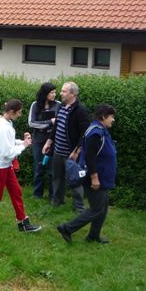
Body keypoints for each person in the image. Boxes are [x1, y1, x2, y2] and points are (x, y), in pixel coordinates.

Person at [0, 100, 41, 233]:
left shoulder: (6, 122)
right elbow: (7, 153)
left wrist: (22, 142)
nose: (20, 115)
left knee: (16, 191)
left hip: (5, 165)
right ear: (12, 112)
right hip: (1, 166)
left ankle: (23, 222)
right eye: (19, 112)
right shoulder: (3, 128)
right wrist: (23, 146)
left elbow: (9, 142)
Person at [57, 104, 117, 244]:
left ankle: (93, 236)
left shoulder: (101, 130)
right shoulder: (95, 133)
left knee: (102, 208)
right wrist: (94, 178)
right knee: (96, 209)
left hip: (103, 176)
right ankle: (67, 228)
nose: (113, 119)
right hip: (96, 177)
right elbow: (90, 157)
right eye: (111, 117)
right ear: (103, 117)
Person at [42, 81, 90, 211]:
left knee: (75, 179)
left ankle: (79, 208)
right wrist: (48, 142)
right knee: (57, 177)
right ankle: (57, 202)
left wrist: (76, 151)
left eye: (64, 91)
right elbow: (56, 126)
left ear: (73, 94)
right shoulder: (61, 106)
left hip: (71, 153)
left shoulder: (81, 110)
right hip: (58, 150)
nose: (60, 93)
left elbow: (85, 133)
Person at [28, 82, 60, 199]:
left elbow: (59, 122)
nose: (54, 95)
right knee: (39, 169)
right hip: (38, 141)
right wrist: (49, 122)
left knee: (53, 170)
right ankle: (37, 195)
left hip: (53, 141)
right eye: (51, 93)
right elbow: (32, 123)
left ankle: (53, 196)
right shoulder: (35, 105)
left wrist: (45, 125)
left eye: (55, 92)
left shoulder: (58, 105)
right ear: (45, 93)